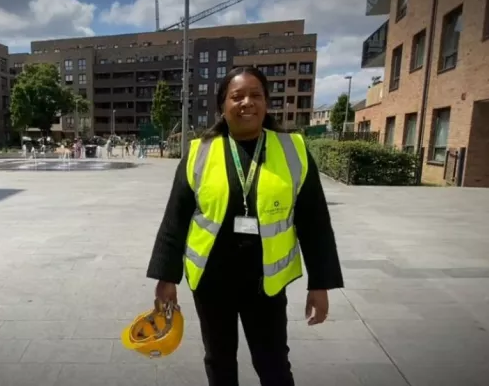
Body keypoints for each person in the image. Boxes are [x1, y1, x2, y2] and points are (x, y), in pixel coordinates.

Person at [146, 66, 344, 386]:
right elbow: (175, 219)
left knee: (273, 363)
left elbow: (316, 224)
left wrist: (320, 285)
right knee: (219, 360)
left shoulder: (293, 150)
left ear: (266, 104)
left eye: (256, 95)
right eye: (237, 96)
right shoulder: (200, 152)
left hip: (265, 282)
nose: (247, 102)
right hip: (211, 281)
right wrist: (165, 279)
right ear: (222, 107)